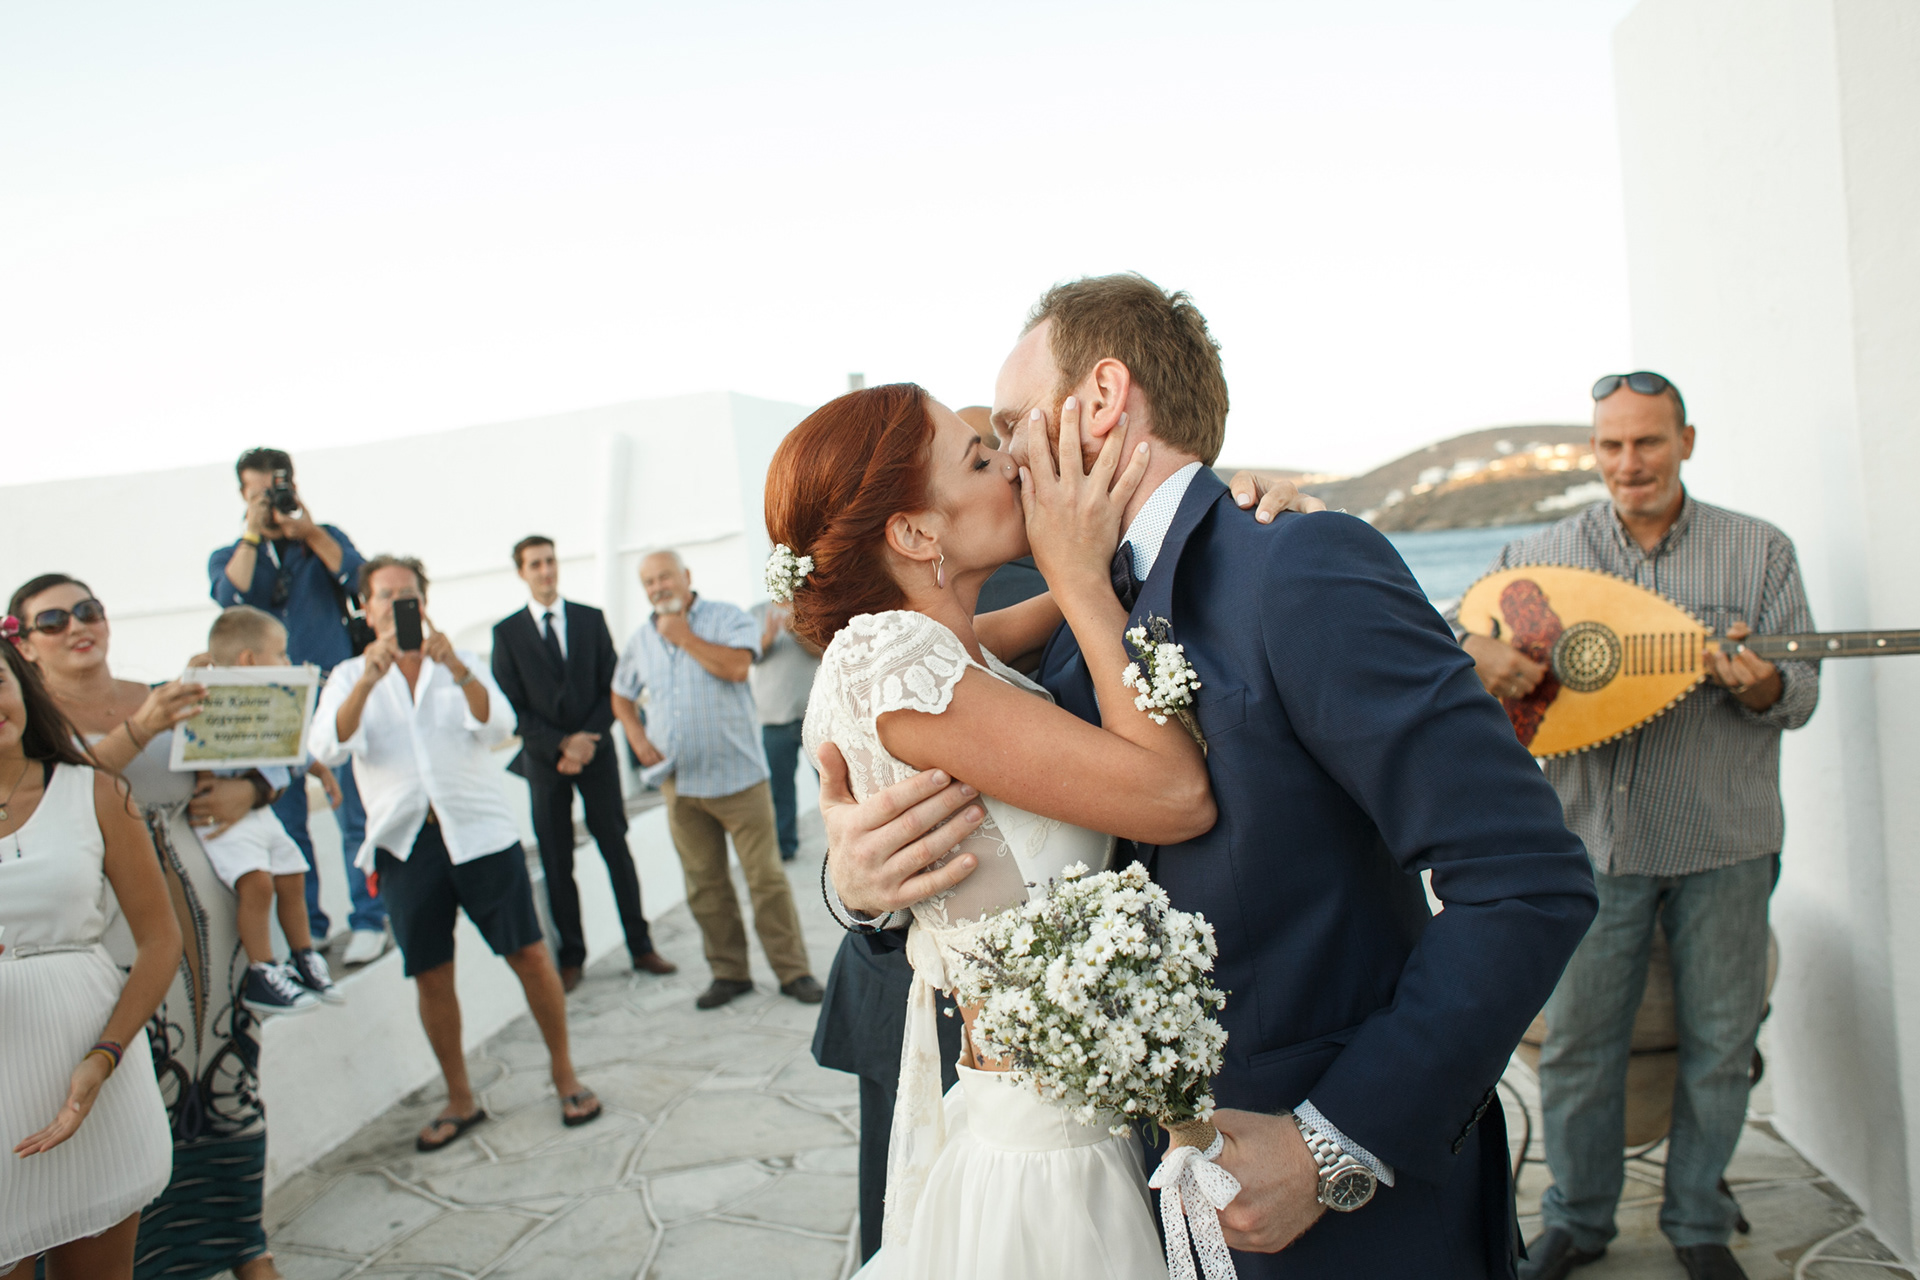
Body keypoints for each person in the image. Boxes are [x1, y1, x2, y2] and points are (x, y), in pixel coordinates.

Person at [814, 274, 1598, 1279]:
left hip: (1343, 1230)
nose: (1004, 454)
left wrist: (1331, 1143)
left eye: (1011, 424)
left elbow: (1527, 875)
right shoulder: (1059, 629)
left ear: (1102, 399)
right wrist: (857, 882)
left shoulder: (1299, 568)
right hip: (1122, 1206)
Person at [772, 382, 1221, 1279]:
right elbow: (1177, 796)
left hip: (1047, 1102)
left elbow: (1038, 610)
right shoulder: (894, 659)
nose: (1014, 460)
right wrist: (1083, 574)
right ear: (913, 534)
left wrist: (1222, 510)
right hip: (1039, 1137)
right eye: (980, 458)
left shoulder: (946, 642)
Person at [1453, 372, 1819, 1280]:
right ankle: (1579, 1217)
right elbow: (1460, 653)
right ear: (1593, 450)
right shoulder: (1538, 557)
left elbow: (1800, 692)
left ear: (1685, 442)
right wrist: (1477, 653)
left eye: (1648, 442)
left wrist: (1761, 683)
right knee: (1578, 1044)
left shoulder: (1758, 551)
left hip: (1724, 838)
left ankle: (1698, 1217)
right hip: (1591, 843)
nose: (1630, 463)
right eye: (1611, 445)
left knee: (1722, 1041)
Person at [12, 573, 286, 1280]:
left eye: (88, 609)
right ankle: (159, 1264)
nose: (79, 624)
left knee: (231, 1088)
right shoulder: (30, 722)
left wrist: (250, 786)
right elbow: (64, 792)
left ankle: (244, 1244)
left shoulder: (160, 690)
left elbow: (266, 748)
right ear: (24, 648)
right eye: (53, 620)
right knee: (148, 1102)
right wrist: (143, 729)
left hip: (218, 929)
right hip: (118, 945)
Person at [308, 555, 602, 1150]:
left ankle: (564, 1074)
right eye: (384, 596)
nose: (396, 606)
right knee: (432, 975)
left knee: (530, 955)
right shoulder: (346, 675)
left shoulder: (458, 660)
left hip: (481, 836)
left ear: (424, 600)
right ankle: (460, 1097)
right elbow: (327, 747)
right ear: (365, 608)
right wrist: (368, 679)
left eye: (407, 594)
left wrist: (457, 669)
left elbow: (499, 726)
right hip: (406, 845)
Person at [0, 638, 178, 1280]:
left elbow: (161, 939)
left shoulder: (96, 791)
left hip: (96, 1073)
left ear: (21, 685)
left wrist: (105, 1056)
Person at [610, 551, 820, 1011]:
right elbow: (620, 693)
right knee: (705, 886)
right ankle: (730, 974)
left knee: (766, 880)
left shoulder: (725, 617)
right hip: (680, 785)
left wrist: (683, 637)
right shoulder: (640, 639)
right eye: (648, 582)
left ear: (686, 577)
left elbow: (737, 667)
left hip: (740, 780)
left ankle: (793, 972)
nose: (658, 587)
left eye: (665, 576)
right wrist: (636, 735)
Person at [208, 447, 387, 967]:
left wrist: (307, 531)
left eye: (277, 487)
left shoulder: (320, 539)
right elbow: (230, 595)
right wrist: (253, 531)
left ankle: (370, 917)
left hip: (332, 690)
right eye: (259, 491)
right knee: (287, 822)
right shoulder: (230, 552)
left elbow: (359, 579)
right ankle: (308, 929)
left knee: (355, 808)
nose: (271, 499)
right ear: (243, 495)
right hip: (270, 706)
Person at [491, 536, 675, 992]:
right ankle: (572, 957)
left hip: (596, 753)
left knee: (616, 848)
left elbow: (612, 686)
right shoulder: (506, 633)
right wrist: (561, 746)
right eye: (535, 564)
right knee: (556, 861)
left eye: (550, 561)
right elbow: (512, 707)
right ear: (521, 572)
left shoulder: (590, 619)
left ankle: (641, 945)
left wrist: (587, 742)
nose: (545, 571)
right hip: (543, 760)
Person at [198, 606, 343, 1015]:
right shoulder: (211, 699)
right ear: (248, 660)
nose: (287, 663)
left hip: (262, 814)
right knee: (258, 883)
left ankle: (304, 956)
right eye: (280, 654)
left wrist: (318, 771)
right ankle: (263, 968)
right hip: (227, 821)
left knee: (293, 873)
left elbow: (288, 750)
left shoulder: (274, 704)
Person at [747, 599, 821, 862]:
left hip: (815, 717)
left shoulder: (814, 604)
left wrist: (796, 630)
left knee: (830, 783)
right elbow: (748, 657)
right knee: (780, 790)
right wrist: (768, 638)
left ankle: (842, 841)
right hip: (773, 719)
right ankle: (785, 848)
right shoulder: (755, 612)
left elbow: (822, 650)